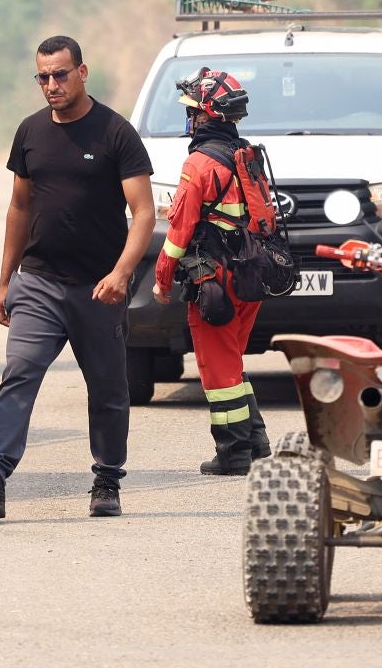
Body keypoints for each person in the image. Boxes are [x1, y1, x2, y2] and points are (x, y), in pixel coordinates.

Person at [0, 35, 155, 520]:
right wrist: (5, 280)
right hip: (39, 283)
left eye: (60, 74)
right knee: (18, 374)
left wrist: (121, 274)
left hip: (98, 289)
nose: (51, 85)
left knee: (108, 388)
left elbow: (144, 213)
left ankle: (107, 479)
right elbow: (19, 207)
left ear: (82, 73)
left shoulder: (115, 133)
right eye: (42, 76)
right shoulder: (29, 132)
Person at [150, 68, 271, 476]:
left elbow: (179, 230)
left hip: (214, 280)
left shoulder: (199, 165)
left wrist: (162, 280)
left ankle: (233, 453)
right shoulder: (247, 157)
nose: (190, 120)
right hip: (250, 277)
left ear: (206, 116)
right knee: (232, 361)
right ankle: (256, 442)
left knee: (217, 368)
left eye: (192, 112)